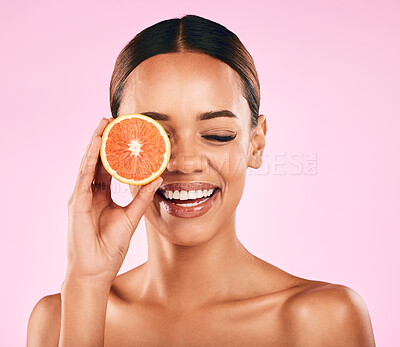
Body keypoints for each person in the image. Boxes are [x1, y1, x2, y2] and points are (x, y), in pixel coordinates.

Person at [27, 14, 375, 346]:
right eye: (157, 135)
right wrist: (87, 284)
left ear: (256, 145)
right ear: (116, 145)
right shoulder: (57, 319)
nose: (185, 162)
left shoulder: (324, 318)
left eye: (218, 135)